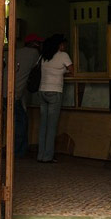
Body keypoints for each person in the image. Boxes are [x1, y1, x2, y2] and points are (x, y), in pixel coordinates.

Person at [37, 33, 73, 163]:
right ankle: (48, 156)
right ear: (60, 45)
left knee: (43, 125)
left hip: (42, 91)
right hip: (55, 91)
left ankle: (40, 155)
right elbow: (73, 70)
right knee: (52, 126)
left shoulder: (45, 56)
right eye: (64, 44)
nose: (65, 46)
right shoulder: (63, 55)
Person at [13, 33, 43, 156]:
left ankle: (16, 150)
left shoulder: (16, 52)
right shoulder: (34, 54)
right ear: (34, 44)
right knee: (21, 122)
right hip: (15, 93)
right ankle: (18, 151)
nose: (41, 45)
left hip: (6, 92)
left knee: (14, 121)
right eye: (39, 43)